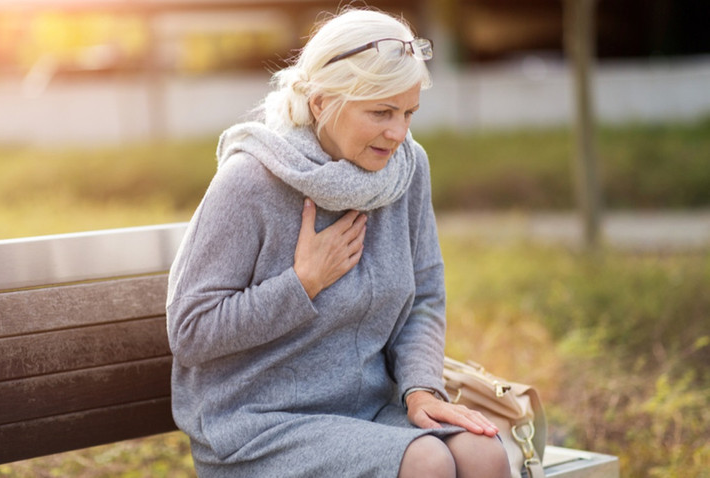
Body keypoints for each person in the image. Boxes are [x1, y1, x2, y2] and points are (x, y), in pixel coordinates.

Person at [166, 7, 511, 478]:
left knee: (484, 454)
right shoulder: (249, 181)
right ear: (322, 103)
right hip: (260, 425)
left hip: (366, 409)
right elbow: (190, 330)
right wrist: (302, 283)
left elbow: (424, 297)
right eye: (381, 112)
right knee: (426, 463)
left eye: (409, 112)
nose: (399, 133)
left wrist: (420, 388)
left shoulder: (406, 169)